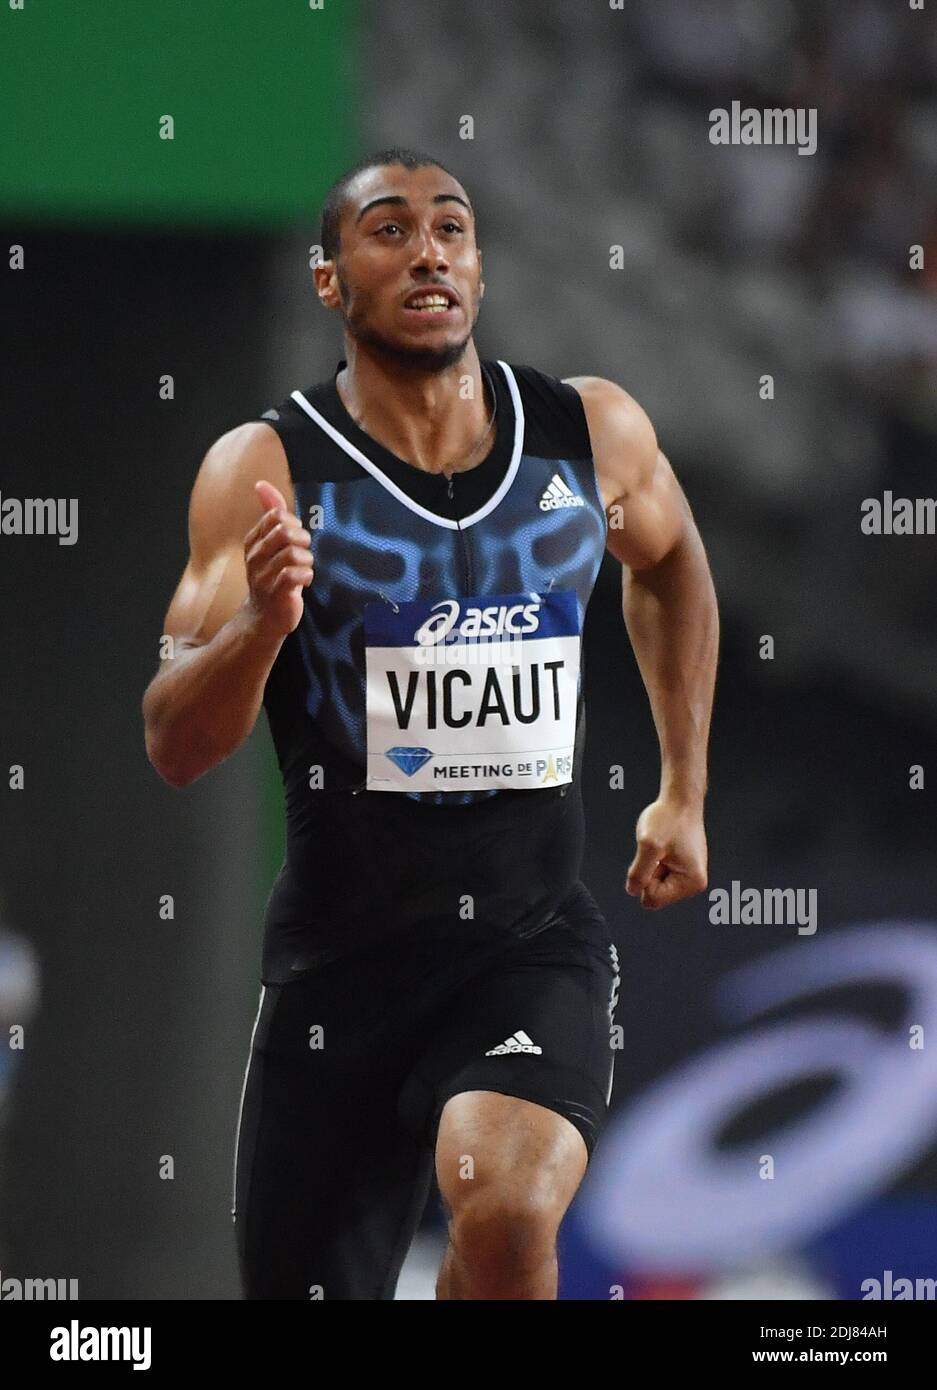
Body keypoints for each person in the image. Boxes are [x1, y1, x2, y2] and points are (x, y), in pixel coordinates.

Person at [141, 147, 719, 1300]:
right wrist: (262, 621)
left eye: (450, 229)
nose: (427, 253)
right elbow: (175, 742)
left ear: (481, 268)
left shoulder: (585, 431)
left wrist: (682, 788)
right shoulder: (265, 469)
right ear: (327, 281)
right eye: (388, 230)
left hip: (528, 947)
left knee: (507, 1211)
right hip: (337, 983)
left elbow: (669, 566)